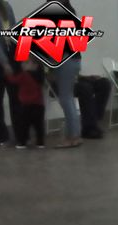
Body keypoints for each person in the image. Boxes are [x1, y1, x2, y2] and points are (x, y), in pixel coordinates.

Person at [50, 0, 83, 148]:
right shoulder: (70, 10)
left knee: (66, 99)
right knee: (68, 99)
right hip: (74, 60)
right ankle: (74, 136)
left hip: (65, 60)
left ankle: (73, 137)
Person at [2, 59, 45, 148]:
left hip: (26, 106)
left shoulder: (24, 75)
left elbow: (13, 80)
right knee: (39, 126)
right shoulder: (40, 77)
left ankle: (22, 143)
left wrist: (8, 74)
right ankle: (40, 143)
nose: (23, 64)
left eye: (26, 63)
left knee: (24, 125)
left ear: (35, 65)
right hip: (39, 105)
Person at [0, 0, 19, 147]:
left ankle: (19, 134)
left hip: (12, 56)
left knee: (16, 97)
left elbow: (15, 31)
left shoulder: (6, 6)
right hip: (0, 61)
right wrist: (4, 63)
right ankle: (2, 136)